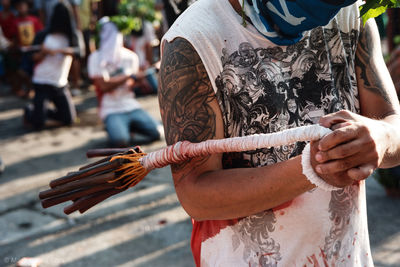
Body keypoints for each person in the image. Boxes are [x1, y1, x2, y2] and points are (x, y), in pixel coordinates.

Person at [158, 0, 400, 266]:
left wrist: (381, 137)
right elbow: (195, 194)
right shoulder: (193, 39)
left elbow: (393, 124)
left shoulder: (351, 11)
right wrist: (312, 168)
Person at [88, 18, 161, 148]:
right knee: (120, 141)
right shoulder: (95, 58)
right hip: (111, 108)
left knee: (157, 134)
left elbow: (133, 84)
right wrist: (129, 76)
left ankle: (127, 127)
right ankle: (117, 128)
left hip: (130, 105)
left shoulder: (130, 56)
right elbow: (104, 86)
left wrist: (140, 80)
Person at [24, 1, 78, 129]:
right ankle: (32, 111)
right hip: (42, 82)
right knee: (38, 123)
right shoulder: (43, 35)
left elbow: (79, 52)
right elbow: (31, 57)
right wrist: (44, 53)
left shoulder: (71, 36)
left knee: (69, 119)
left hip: (60, 83)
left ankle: (40, 111)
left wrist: (64, 51)